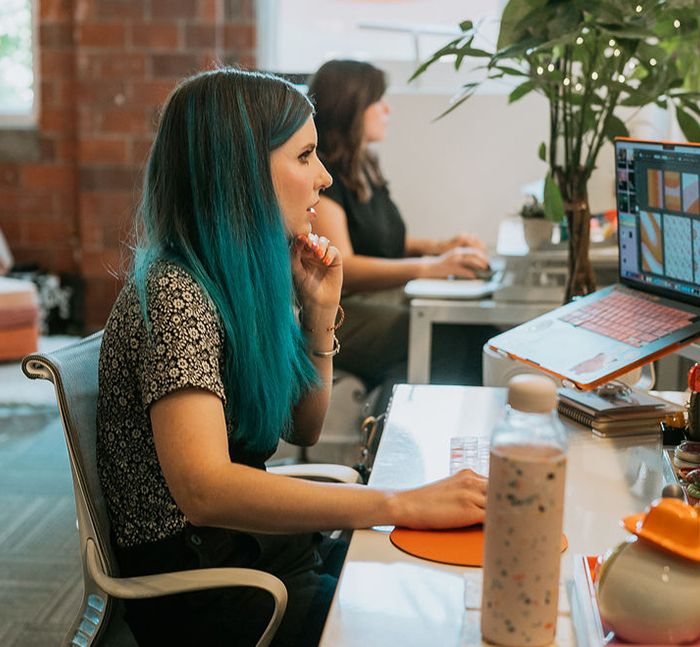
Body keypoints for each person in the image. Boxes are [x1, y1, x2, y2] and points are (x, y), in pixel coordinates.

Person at [96, 67, 487, 647]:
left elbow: (302, 425)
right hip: (213, 589)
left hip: (256, 553)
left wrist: (319, 314)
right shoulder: (175, 292)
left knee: (433, 593)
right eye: (305, 156)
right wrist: (398, 502)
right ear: (242, 172)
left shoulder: (236, 279)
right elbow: (204, 490)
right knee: (427, 622)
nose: (324, 177)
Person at [308, 60, 496, 408]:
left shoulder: (364, 165)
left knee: (477, 332)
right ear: (351, 109)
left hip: (377, 300)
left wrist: (439, 248)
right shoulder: (325, 175)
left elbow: (380, 240)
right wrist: (429, 266)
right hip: (341, 311)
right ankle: (388, 443)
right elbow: (342, 266)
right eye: (377, 101)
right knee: (443, 339)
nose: (387, 109)